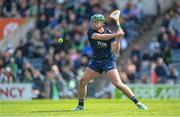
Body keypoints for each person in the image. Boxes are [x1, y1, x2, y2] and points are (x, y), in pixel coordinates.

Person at [74, 14, 147, 111]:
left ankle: (138, 103)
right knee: (83, 81)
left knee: (118, 84)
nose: (93, 23)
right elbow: (101, 37)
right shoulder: (91, 32)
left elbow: (116, 50)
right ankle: (80, 106)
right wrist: (116, 34)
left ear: (102, 23)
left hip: (108, 61)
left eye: (96, 21)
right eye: (93, 21)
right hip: (96, 61)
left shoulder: (110, 34)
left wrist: (118, 38)